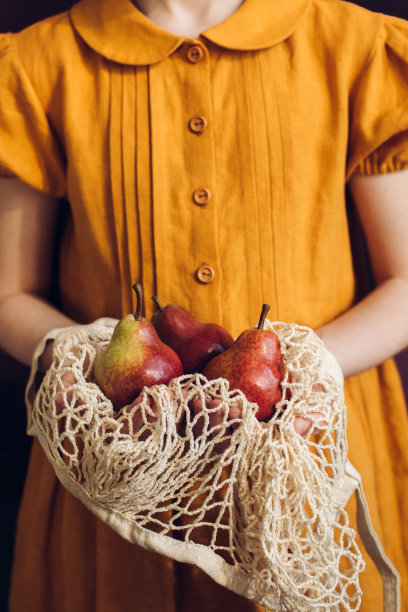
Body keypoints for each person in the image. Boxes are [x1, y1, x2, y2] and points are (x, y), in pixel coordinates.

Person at [1, 0, 408, 609]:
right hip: (113, 481)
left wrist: (297, 375)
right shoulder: (39, 64)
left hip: (312, 461)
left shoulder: (354, 47)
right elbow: (10, 292)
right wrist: (83, 371)